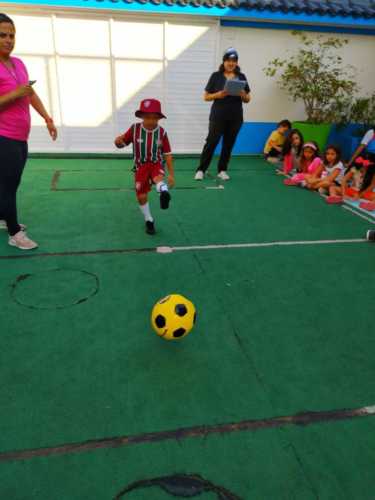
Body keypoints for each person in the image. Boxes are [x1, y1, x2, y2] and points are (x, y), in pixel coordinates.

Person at [0, 13, 57, 249]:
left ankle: (4, 218)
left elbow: (30, 93)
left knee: (11, 183)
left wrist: (47, 117)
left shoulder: (19, 63)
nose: (8, 39)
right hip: (3, 136)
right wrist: (15, 94)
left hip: (20, 136)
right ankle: (14, 233)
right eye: (3, 35)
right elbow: (20, 93)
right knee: (7, 184)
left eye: (12, 35)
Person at [114, 98, 174, 235]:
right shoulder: (134, 129)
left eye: (155, 118)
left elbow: (168, 155)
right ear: (141, 116)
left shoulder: (162, 133)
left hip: (155, 163)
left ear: (159, 118)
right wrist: (118, 142)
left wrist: (171, 174)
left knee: (158, 178)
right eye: (147, 117)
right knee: (141, 196)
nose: (151, 121)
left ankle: (163, 192)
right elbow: (123, 142)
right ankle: (149, 219)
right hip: (140, 167)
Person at [194, 48, 250, 181]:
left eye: (234, 61)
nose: (231, 63)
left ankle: (222, 170)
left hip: (236, 117)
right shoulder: (216, 76)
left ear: (236, 63)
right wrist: (218, 95)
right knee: (211, 142)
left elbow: (248, 99)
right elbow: (206, 97)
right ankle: (201, 169)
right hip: (218, 116)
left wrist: (242, 93)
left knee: (228, 144)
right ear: (224, 62)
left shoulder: (241, 77)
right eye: (228, 61)